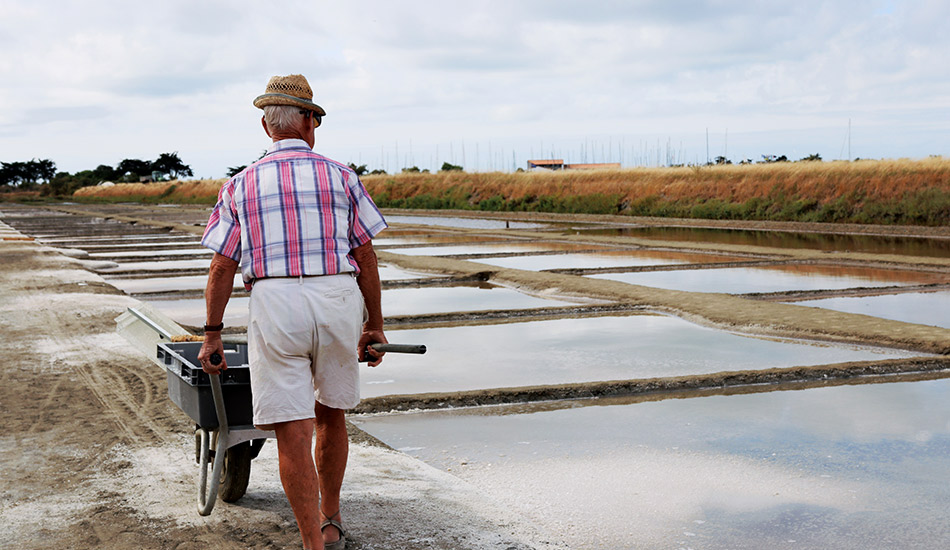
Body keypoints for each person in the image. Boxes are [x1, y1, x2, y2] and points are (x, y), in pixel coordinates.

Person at [197, 73, 388, 550]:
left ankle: (311, 544)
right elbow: (365, 256)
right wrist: (375, 324)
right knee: (331, 415)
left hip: (275, 302)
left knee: (292, 431)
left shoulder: (239, 185)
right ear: (307, 123)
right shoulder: (342, 175)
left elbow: (222, 265)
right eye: (314, 119)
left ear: (267, 127)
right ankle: (331, 517)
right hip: (337, 296)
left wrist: (213, 333)